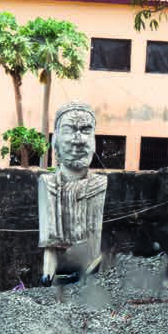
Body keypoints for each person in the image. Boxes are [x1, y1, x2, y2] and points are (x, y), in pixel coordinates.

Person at [37, 101, 106, 283]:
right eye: (69, 130)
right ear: (55, 141)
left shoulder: (100, 184)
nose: (78, 140)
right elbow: (50, 247)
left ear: (94, 142)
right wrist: (48, 274)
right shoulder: (48, 184)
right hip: (60, 279)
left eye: (86, 130)